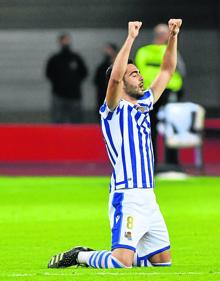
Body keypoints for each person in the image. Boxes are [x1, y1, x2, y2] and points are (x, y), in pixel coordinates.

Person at [48, 19, 182, 269]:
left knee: (163, 263)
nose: (140, 76)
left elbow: (166, 71)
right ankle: (81, 255)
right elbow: (115, 78)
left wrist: (173, 36)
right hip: (127, 194)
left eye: (139, 72)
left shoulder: (144, 104)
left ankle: (129, 253)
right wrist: (130, 38)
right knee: (121, 264)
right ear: (122, 83)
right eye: (134, 73)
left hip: (148, 196)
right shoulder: (112, 109)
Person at [135, 23, 186, 169]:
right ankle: (165, 162)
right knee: (159, 127)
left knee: (158, 127)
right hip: (157, 93)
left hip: (156, 93)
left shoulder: (143, 51)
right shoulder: (171, 50)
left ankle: (158, 162)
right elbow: (182, 70)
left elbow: (137, 73)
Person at [45, 33, 88, 123]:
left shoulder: (76, 58)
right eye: (63, 40)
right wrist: (59, 84)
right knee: (58, 121)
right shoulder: (54, 59)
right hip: (58, 95)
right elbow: (48, 74)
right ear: (59, 42)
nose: (66, 42)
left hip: (74, 96)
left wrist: (74, 82)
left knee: (76, 122)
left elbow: (84, 73)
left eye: (67, 40)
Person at [93, 43, 118, 121]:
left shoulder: (121, 67)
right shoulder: (101, 67)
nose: (107, 52)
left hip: (117, 97)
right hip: (103, 97)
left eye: (109, 50)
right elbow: (96, 81)